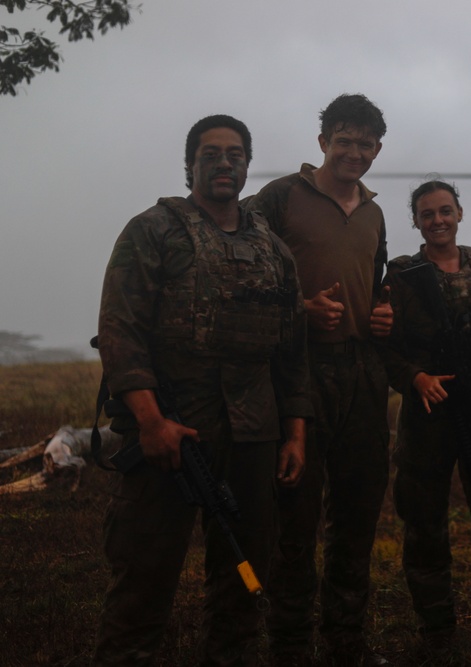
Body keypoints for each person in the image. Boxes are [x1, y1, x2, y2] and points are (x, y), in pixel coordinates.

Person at [93, 114, 311, 666]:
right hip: (172, 428)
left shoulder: (274, 251)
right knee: (144, 574)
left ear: (247, 166)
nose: (223, 162)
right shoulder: (153, 230)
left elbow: (291, 353)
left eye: (235, 154)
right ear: (190, 163)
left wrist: (295, 433)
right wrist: (150, 422)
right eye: (210, 153)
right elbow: (120, 333)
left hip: (254, 430)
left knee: (245, 572)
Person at [246, 94, 393, 667]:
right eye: (343, 140)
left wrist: (385, 314)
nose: (353, 152)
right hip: (297, 371)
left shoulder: (376, 213)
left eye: (365, 144)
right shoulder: (280, 197)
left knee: (357, 512)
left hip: (362, 372)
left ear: (377, 150)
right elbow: (243, 272)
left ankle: (345, 642)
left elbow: (375, 283)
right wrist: (299, 308)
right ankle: (289, 644)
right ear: (322, 142)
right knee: (295, 512)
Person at [380, 181, 471, 655]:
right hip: (428, 413)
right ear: (416, 222)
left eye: (446, 211)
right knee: (424, 524)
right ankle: (437, 631)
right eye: (427, 214)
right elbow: (385, 347)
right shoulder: (401, 276)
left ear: (459, 213)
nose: (438, 220)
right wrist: (416, 378)